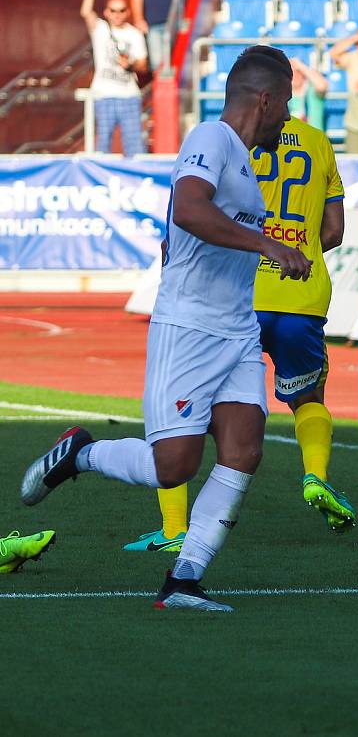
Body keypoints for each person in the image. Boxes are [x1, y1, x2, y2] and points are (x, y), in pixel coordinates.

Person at [20, 45, 312, 612]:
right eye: (288, 105)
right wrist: (268, 244)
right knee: (171, 467)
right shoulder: (210, 137)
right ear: (266, 99)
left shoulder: (244, 161)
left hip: (238, 333)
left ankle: (184, 580)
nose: (289, 117)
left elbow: (191, 226)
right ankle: (79, 454)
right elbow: (189, 210)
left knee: (244, 451)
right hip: (189, 329)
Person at [124, 111, 354, 550]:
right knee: (307, 398)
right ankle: (315, 477)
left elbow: (194, 213)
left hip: (237, 294)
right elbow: (335, 230)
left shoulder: (226, 143)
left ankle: (175, 530)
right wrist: (297, 250)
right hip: (299, 295)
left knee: (186, 409)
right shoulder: (320, 142)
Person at [82, 0, 149, 155]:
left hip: (129, 95)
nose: (117, 14)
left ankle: (138, 182)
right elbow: (86, 12)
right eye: (113, 10)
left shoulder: (134, 34)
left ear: (127, 12)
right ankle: (100, 183)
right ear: (107, 12)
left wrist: (130, 64)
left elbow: (143, 65)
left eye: (121, 10)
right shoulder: (100, 29)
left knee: (135, 145)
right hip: (104, 94)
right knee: (103, 143)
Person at [131, 0, 183, 72]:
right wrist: (138, 19)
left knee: (179, 59)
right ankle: (163, 89)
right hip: (153, 24)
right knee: (157, 64)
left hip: (175, 21)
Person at [329, 29, 358, 154]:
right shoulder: (353, 57)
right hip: (355, 122)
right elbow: (333, 53)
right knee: (355, 161)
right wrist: (355, 38)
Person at [288, 57, 328, 131]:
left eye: (297, 72)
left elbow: (323, 86)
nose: (294, 76)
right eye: (291, 73)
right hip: (294, 139)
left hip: (314, 139)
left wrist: (301, 66)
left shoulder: (312, 91)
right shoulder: (284, 95)